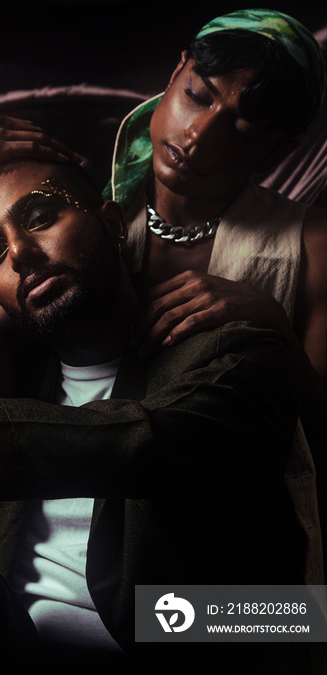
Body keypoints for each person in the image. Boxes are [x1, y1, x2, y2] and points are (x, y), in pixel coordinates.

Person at [0, 155, 322, 675]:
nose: (21, 255)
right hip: (9, 644)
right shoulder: (13, 371)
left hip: (179, 647)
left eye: (39, 217)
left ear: (108, 222)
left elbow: (133, 446)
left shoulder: (237, 348)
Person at [102, 8, 327, 477]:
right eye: (197, 95)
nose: (198, 136)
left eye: (243, 130)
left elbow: (321, 444)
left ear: (281, 149)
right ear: (175, 72)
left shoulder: (312, 245)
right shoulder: (93, 215)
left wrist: (271, 321)